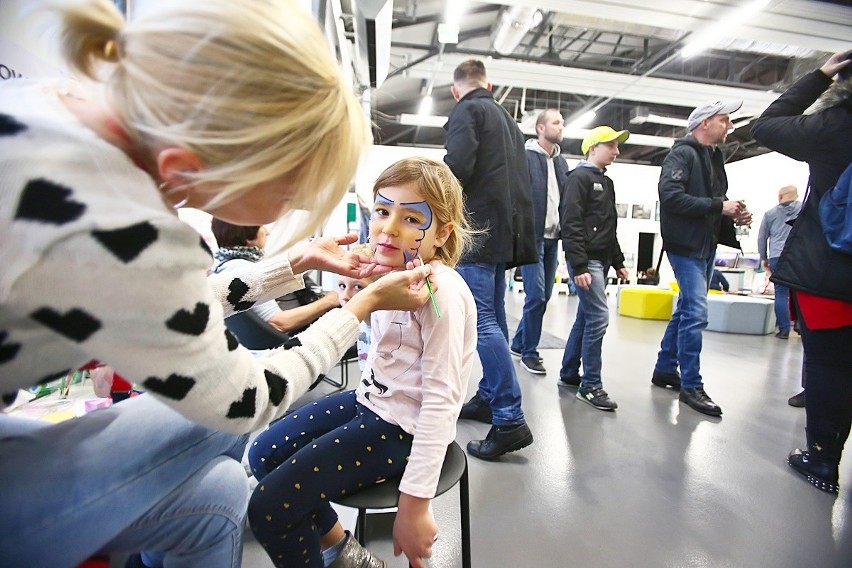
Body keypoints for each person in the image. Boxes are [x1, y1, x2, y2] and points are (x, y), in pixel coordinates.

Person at [0, 1, 435, 566]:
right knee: (224, 435)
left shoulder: (54, 120)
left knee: (223, 493)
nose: (291, 210)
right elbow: (244, 400)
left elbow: (146, 305)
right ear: (188, 168)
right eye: (287, 196)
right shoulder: (120, 226)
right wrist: (355, 310)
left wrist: (294, 264)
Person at [247, 157, 477, 568]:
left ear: (442, 233)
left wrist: (414, 503)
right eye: (383, 212)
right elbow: (388, 344)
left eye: (411, 219)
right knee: (263, 452)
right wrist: (358, 289)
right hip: (369, 401)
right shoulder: (392, 273)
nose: (389, 228)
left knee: (270, 509)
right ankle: (345, 551)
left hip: (402, 427)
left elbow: (442, 401)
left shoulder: (441, 295)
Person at [751, 49, 852, 494]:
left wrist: (819, 77)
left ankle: (823, 460)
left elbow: (768, 125)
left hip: (831, 269)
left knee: (829, 366)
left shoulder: (838, 124)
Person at [443, 58, 537, 460]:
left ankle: (510, 418)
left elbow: (456, 170)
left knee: (479, 320)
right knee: (493, 317)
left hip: (477, 232)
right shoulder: (507, 121)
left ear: (455, 89)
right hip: (503, 233)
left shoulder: (467, 110)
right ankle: (487, 397)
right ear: (490, 85)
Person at [650, 98, 751, 417]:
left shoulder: (714, 156)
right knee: (695, 312)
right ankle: (692, 385)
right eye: (724, 120)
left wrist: (731, 214)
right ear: (704, 123)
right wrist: (718, 206)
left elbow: (713, 200)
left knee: (685, 311)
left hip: (705, 245)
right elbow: (671, 197)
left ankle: (665, 369)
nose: (730, 126)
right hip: (685, 246)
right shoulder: (682, 154)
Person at [557, 126, 630, 411]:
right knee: (599, 317)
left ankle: (569, 373)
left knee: (586, 318)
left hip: (601, 260)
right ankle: (591, 386)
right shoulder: (579, 179)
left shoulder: (606, 182)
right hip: (587, 262)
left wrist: (620, 261)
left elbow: (610, 227)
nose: (616, 151)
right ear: (593, 147)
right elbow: (571, 223)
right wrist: (579, 264)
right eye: (611, 145)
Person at [509, 108, 571, 375]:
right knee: (535, 297)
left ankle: (519, 342)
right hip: (531, 239)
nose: (561, 126)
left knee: (544, 296)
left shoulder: (562, 163)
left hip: (552, 239)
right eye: (556, 122)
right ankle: (529, 352)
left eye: (562, 122)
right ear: (541, 129)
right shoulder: (525, 157)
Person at [211, 219, 340, 334]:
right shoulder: (240, 269)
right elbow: (279, 323)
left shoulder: (220, 264)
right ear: (249, 238)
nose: (267, 232)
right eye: (261, 226)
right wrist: (329, 301)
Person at [757, 185, 802, 339]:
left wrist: (763, 257)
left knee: (781, 293)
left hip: (777, 256)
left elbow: (762, 237)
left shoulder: (770, 214)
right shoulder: (804, 209)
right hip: (798, 255)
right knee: (799, 291)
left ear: (780, 196)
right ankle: (799, 324)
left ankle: (784, 330)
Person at [336, 273, 377, 370]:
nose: (344, 296)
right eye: (342, 286)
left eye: (358, 287)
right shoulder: (360, 323)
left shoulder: (392, 328)